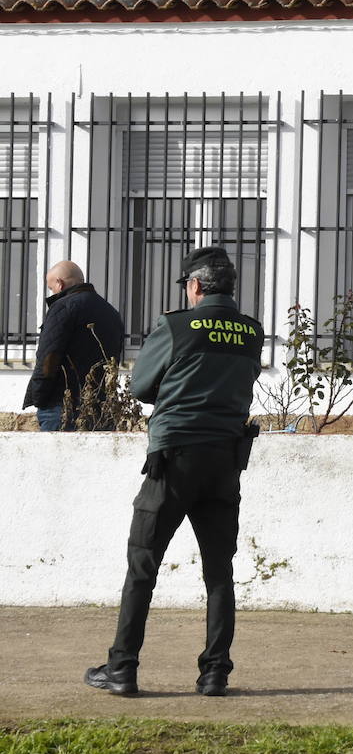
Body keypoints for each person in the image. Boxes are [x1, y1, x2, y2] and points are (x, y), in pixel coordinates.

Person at [84, 247, 264, 698]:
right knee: (219, 571)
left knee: (142, 564)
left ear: (196, 286)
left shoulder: (177, 325)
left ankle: (122, 669)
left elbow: (142, 387)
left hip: (175, 458)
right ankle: (215, 674)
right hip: (225, 459)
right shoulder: (251, 332)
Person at [22, 261, 124, 431]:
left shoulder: (62, 307)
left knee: (55, 456)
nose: (52, 292)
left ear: (59, 283)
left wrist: (39, 397)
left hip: (60, 404)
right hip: (99, 405)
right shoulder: (111, 312)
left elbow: (49, 356)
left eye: (51, 287)